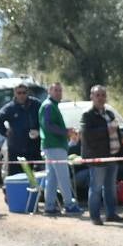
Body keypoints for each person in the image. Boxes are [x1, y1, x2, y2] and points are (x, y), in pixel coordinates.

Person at [79, 85, 123, 225]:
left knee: (110, 187)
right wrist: (106, 129)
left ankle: (111, 214)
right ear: (91, 97)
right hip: (97, 157)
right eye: (97, 95)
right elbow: (87, 135)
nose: (100, 98)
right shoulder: (87, 115)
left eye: (103, 95)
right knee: (96, 188)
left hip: (112, 155)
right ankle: (94, 216)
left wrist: (120, 137)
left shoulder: (110, 114)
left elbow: (116, 131)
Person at [38, 83, 83, 215]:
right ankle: (69, 205)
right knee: (63, 176)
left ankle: (49, 206)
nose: (58, 93)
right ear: (49, 91)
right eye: (55, 90)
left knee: (52, 177)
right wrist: (66, 132)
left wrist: (66, 131)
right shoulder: (48, 106)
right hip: (54, 146)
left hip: (52, 146)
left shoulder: (51, 106)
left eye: (60, 91)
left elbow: (49, 126)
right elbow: (48, 126)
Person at [0, 80, 43, 183]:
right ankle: (12, 195)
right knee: (16, 176)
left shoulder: (36, 104)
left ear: (27, 93)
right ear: (15, 93)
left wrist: (39, 131)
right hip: (16, 148)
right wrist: (5, 132)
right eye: (19, 93)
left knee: (35, 176)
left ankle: (34, 197)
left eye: (24, 92)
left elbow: (44, 120)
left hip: (34, 147)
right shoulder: (10, 108)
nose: (21, 95)